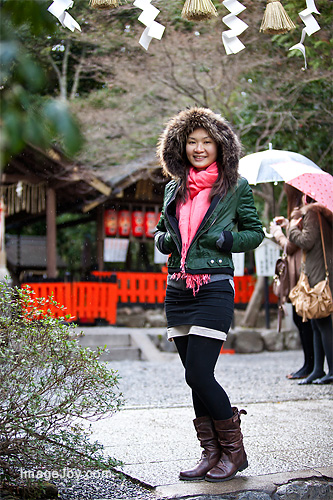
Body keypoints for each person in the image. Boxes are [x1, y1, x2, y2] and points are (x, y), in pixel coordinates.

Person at [154, 107, 264, 482]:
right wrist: (165, 239)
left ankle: (235, 452)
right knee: (192, 375)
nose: (199, 148)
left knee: (200, 373)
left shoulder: (236, 186)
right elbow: (159, 232)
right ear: (180, 146)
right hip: (178, 289)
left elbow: (255, 232)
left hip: (214, 286)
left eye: (207, 142)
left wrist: (228, 239)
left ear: (220, 147)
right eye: (192, 141)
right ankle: (211, 452)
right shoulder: (173, 186)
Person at [269, 185, 314, 379]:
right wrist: (289, 223)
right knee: (302, 318)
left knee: (303, 318)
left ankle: (311, 365)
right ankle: (310, 365)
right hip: (299, 270)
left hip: (301, 271)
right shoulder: (301, 211)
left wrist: (277, 232)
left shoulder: (304, 209)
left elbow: (291, 245)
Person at [288, 195, 333, 385]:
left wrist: (291, 227)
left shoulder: (313, 213)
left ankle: (329, 370)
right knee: (316, 322)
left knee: (322, 322)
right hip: (320, 268)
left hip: (319, 272)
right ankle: (317, 369)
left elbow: (307, 241)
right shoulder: (322, 213)